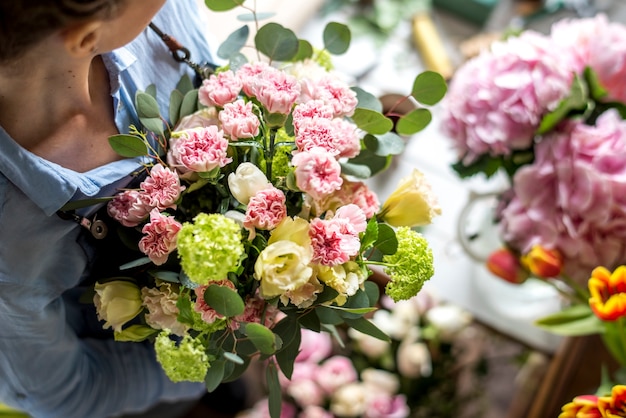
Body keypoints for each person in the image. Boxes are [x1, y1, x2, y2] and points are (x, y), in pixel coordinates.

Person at [0, 1, 244, 417]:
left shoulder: (153, 19)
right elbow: (62, 393)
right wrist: (215, 361)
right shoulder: (11, 236)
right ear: (85, 37)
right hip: (152, 384)